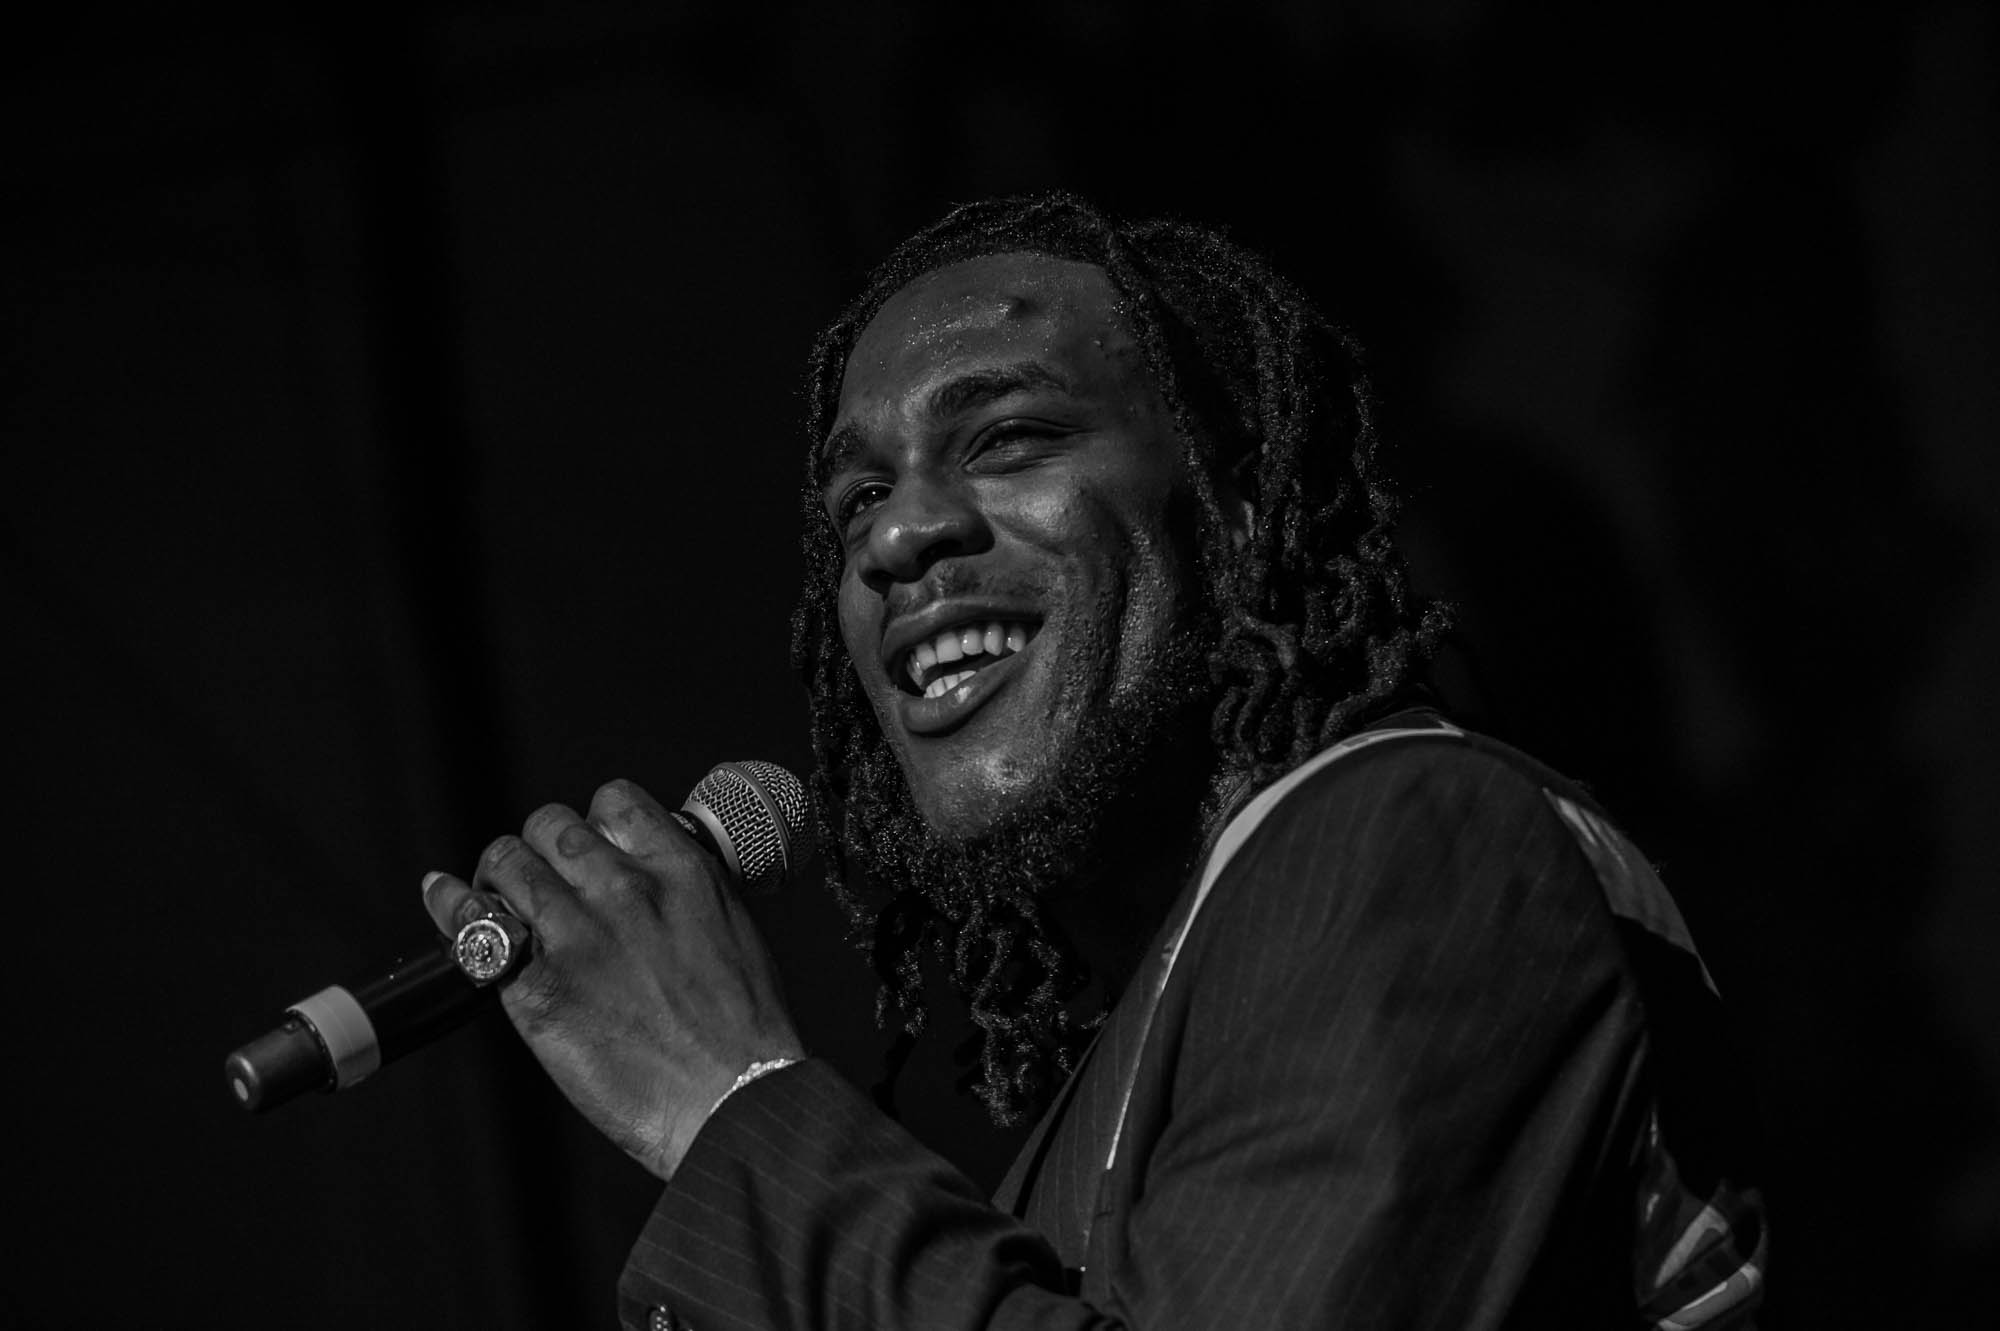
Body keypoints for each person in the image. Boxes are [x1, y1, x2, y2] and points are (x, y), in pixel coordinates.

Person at [420, 193, 1767, 1330]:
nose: (895, 540)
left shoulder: (1416, 835)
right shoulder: (1093, 1122)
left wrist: (728, 1103)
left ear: (1236, 515)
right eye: (857, 501)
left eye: (1007, 440)